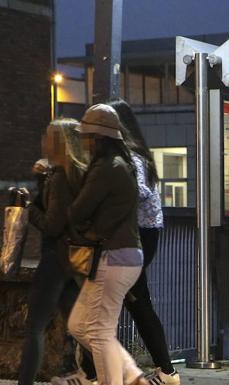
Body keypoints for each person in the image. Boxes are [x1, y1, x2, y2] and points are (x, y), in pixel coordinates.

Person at [67, 104, 148, 385]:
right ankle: (134, 376)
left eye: (87, 136)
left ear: (98, 138)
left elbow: (77, 211)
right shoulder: (121, 164)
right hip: (123, 254)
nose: (83, 142)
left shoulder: (106, 168)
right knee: (79, 325)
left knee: (98, 331)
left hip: (114, 255)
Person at [17, 119, 97, 385]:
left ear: (59, 143)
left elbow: (52, 224)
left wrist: (29, 207)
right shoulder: (77, 172)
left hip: (55, 259)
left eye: (48, 137)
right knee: (80, 328)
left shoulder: (62, 176)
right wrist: (41, 180)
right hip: (72, 260)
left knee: (34, 328)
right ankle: (106, 375)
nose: (42, 140)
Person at [106, 99, 180, 385]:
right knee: (136, 303)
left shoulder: (131, 157)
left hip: (138, 236)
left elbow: (140, 192)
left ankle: (160, 371)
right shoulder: (134, 154)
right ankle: (165, 371)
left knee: (125, 302)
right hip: (139, 235)